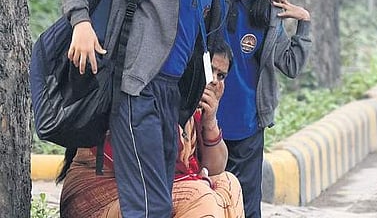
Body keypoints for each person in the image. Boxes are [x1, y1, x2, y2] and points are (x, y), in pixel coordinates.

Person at [62, 0, 231, 217]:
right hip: (137, 93)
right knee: (145, 202)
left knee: (160, 200)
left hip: (172, 99)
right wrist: (81, 23)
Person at [59, 41, 245, 218]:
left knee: (229, 183)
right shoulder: (146, 93)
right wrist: (197, 180)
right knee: (199, 195)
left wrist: (210, 121)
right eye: (210, 70)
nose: (214, 81)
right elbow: (146, 169)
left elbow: (215, 168)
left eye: (221, 76)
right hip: (102, 196)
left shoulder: (192, 110)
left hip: (156, 194)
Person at [214, 0, 312, 218]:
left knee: (247, 206)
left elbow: (291, 65)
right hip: (206, 120)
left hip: (248, 125)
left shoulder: (270, 10)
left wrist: (303, 22)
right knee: (207, 200)